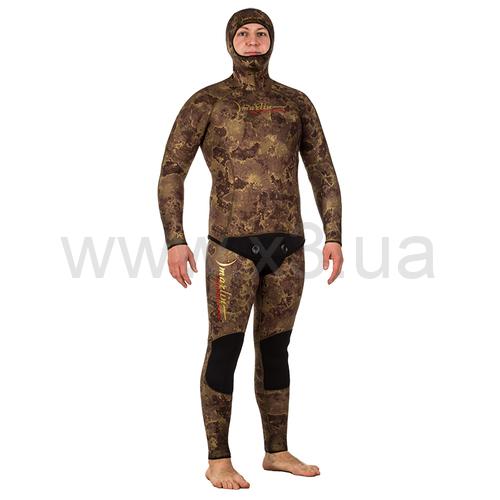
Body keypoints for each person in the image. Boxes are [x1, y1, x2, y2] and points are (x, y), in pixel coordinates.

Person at [157, 7, 343, 489]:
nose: (253, 40)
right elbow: (172, 172)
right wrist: (175, 239)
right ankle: (218, 459)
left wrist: (334, 234)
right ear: (230, 41)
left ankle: (276, 451)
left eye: (262, 33)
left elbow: (323, 172)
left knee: (276, 348)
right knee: (225, 347)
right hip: (230, 249)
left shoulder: (295, 102)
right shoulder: (207, 101)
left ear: (272, 41)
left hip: (289, 247)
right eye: (244, 33)